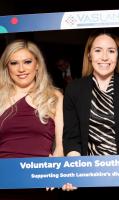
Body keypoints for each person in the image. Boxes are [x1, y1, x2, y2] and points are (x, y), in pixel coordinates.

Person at [62, 30, 119, 192]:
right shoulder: (74, 89)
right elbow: (72, 137)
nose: (105, 57)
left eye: (111, 51)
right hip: (86, 177)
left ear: (118, 56)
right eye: (98, 50)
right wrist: (75, 172)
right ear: (89, 55)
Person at [0, 39, 64, 199]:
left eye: (27, 62)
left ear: (37, 65)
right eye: (14, 63)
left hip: (41, 180)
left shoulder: (54, 97)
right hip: (4, 179)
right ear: (7, 68)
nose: (21, 69)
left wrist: (55, 172)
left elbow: (60, 147)